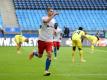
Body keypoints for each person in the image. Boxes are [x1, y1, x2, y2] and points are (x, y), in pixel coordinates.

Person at [29, 8, 59, 76]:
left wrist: (54, 31)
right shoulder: (43, 18)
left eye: (53, 11)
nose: (52, 12)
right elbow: (47, 21)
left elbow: (53, 27)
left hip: (49, 40)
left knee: (49, 54)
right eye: (51, 11)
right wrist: (54, 15)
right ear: (47, 12)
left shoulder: (54, 20)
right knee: (40, 56)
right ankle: (34, 52)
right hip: (41, 39)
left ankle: (46, 71)